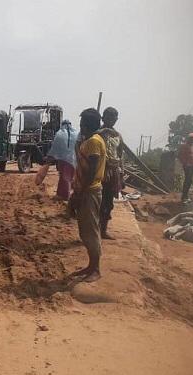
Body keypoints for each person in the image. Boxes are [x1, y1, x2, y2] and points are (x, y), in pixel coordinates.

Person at [69, 108, 106, 283]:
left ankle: (96, 269)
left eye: (83, 123)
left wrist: (80, 192)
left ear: (89, 124)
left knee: (91, 230)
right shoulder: (91, 141)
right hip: (85, 189)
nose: (80, 126)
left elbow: (91, 171)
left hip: (89, 191)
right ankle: (91, 266)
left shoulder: (93, 142)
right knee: (86, 230)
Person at [98, 107, 123, 239]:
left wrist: (121, 174)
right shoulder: (98, 133)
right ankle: (95, 230)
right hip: (101, 171)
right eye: (108, 117)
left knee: (108, 202)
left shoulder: (117, 135)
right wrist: (103, 131)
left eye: (114, 118)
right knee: (98, 201)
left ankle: (103, 230)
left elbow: (120, 154)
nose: (111, 120)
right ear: (103, 118)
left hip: (113, 172)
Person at [45, 119, 78, 200]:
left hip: (64, 160)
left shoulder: (59, 134)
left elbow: (54, 148)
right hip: (74, 159)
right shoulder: (77, 133)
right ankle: (61, 194)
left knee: (65, 178)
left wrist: (49, 158)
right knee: (69, 177)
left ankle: (65, 195)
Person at [178, 133, 193, 203]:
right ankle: (184, 197)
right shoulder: (184, 146)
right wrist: (184, 164)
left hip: (192, 166)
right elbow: (180, 156)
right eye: (192, 139)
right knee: (187, 181)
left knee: (189, 181)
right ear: (189, 139)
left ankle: (186, 196)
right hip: (187, 166)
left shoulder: (192, 146)